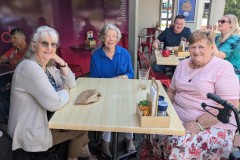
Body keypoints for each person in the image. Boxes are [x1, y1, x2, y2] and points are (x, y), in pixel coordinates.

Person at [143, 30, 239, 159]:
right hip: (179, 118)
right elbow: (172, 91)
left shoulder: (223, 67)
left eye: (201, 47)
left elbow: (230, 104)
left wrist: (198, 123)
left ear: (211, 48)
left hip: (212, 124)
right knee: (153, 128)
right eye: (193, 47)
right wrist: (163, 111)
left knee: (178, 142)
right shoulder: (182, 64)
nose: (196, 50)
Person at [8, 26, 95, 160]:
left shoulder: (48, 66)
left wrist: (61, 62)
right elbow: (55, 102)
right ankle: (74, 156)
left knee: (80, 122)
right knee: (81, 129)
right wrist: (64, 90)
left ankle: (84, 152)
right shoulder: (29, 68)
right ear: (33, 46)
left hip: (49, 121)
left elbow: (72, 83)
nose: (49, 48)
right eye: (44, 43)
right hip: (32, 133)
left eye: (53, 44)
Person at [90, 24, 135, 155]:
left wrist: (121, 77)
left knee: (128, 108)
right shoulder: (96, 56)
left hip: (123, 90)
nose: (111, 39)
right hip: (104, 91)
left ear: (117, 38)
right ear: (102, 38)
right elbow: (94, 79)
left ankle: (129, 139)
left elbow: (131, 74)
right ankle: (105, 142)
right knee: (107, 109)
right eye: (108, 36)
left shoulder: (124, 53)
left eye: (114, 36)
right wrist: (108, 85)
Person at [212, 14, 240, 79]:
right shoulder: (218, 37)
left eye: (223, 21)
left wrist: (210, 39)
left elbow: (219, 56)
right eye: (219, 21)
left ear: (231, 24)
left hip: (232, 73)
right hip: (219, 70)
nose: (219, 23)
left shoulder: (235, 39)